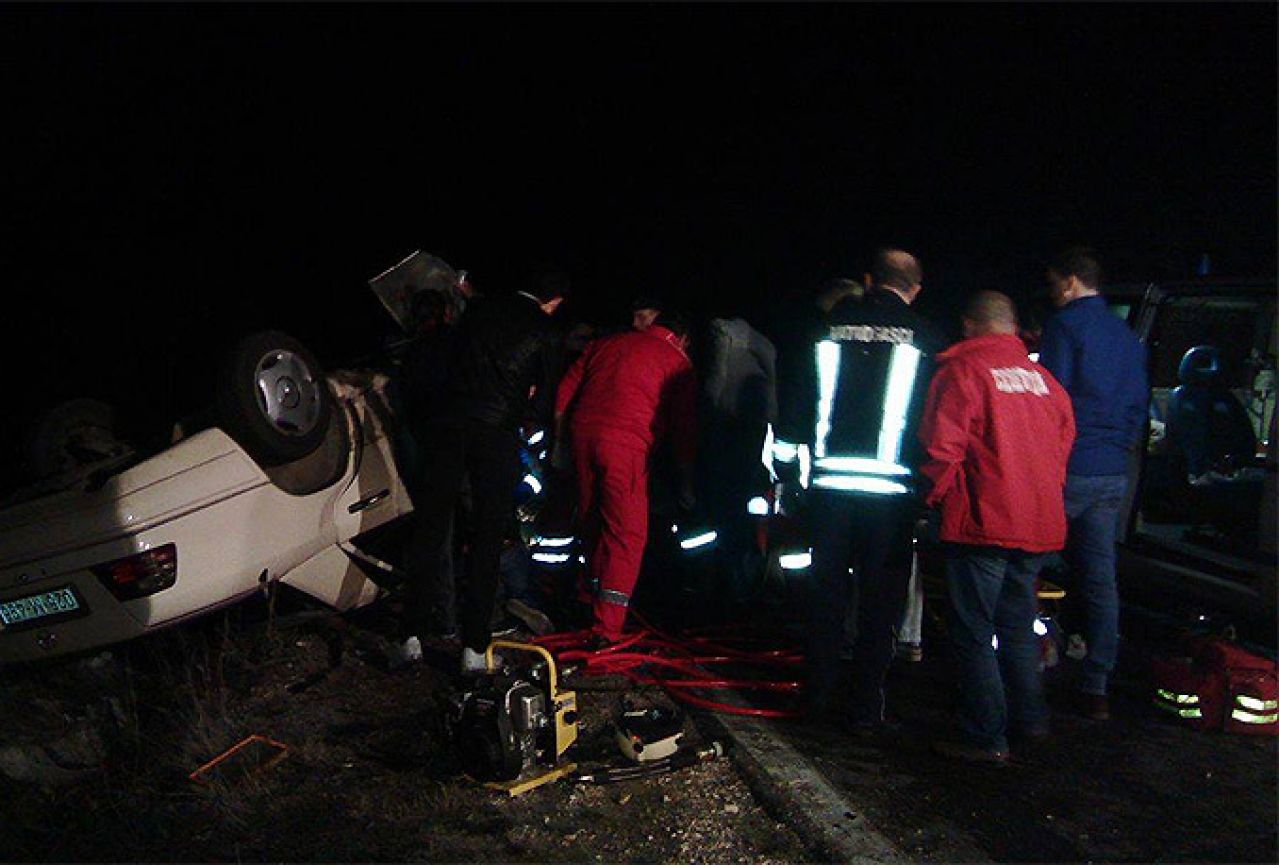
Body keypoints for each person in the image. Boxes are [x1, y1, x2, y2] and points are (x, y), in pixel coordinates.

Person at [788, 248, 947, 730]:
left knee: (826, 596)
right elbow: (936, 422)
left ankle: (816, 696)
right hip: (893, 498)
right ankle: (863, 707)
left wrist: (788, 482)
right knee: (880, 606)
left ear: (868, 279)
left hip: (829, 489)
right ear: (915, 288)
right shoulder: (928, 337)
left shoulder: (823, 327)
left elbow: (794, 409)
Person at [919, 291, 1075, 763]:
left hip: (983, 523)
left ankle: (986, 736)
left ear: (969, 325)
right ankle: (1031, 719)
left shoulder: (963, 372)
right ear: (1011, 329)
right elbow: (1063, 448)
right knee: (1017, 625)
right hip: (1037, 523)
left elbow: (940, 449)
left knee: (972, 630)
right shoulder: (1047, 382)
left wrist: (930, 502)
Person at [400, 276, 567, 674]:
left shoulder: (476, 312)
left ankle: (410, 637)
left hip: (449, 428)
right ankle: (475, 649)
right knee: (487, 538)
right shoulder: (543, 329)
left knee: (431, 529)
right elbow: (544, 400)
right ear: (553, 300)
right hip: (496, 437)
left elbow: (447, 362)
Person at [1039, 247, 1148, 721]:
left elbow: (1052, 398)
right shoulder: (1126, 335)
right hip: (1110, 471)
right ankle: (1096, 684)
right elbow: (1138, 403)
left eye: (1052, 283)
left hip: (1070, 467)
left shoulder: (1065, 326)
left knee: (1026, 565)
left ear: (1069, 282)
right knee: (1101, 580)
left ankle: (1024, 665)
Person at [555, 310, 698, 643]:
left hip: (583, 436)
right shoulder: (677, 362)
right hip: (626, 445)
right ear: (683, 338)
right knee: (627, 534)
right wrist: (687, 482)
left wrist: (561, 442)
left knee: (592, 521)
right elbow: (684, 431)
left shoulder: (605, 344)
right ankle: (608, 627)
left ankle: (586, 601)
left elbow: (565, 392)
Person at [698, 312, 778, 601]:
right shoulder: (764, 345)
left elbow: (714, 384)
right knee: (746, 513)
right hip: (753, 439)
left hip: (726, 437)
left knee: (722, 512)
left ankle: (721, 584)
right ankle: (745, 582)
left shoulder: (721, 336)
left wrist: (705, 416)